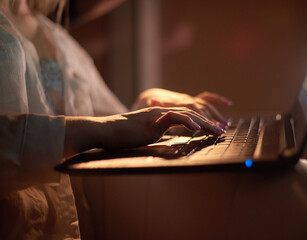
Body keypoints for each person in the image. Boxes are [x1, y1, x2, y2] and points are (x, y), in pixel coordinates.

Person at [0, 0, 232, 239]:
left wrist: (149, 105)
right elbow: (103, 129)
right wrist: (109, 128)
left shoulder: (54, 34)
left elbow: (108, 124)